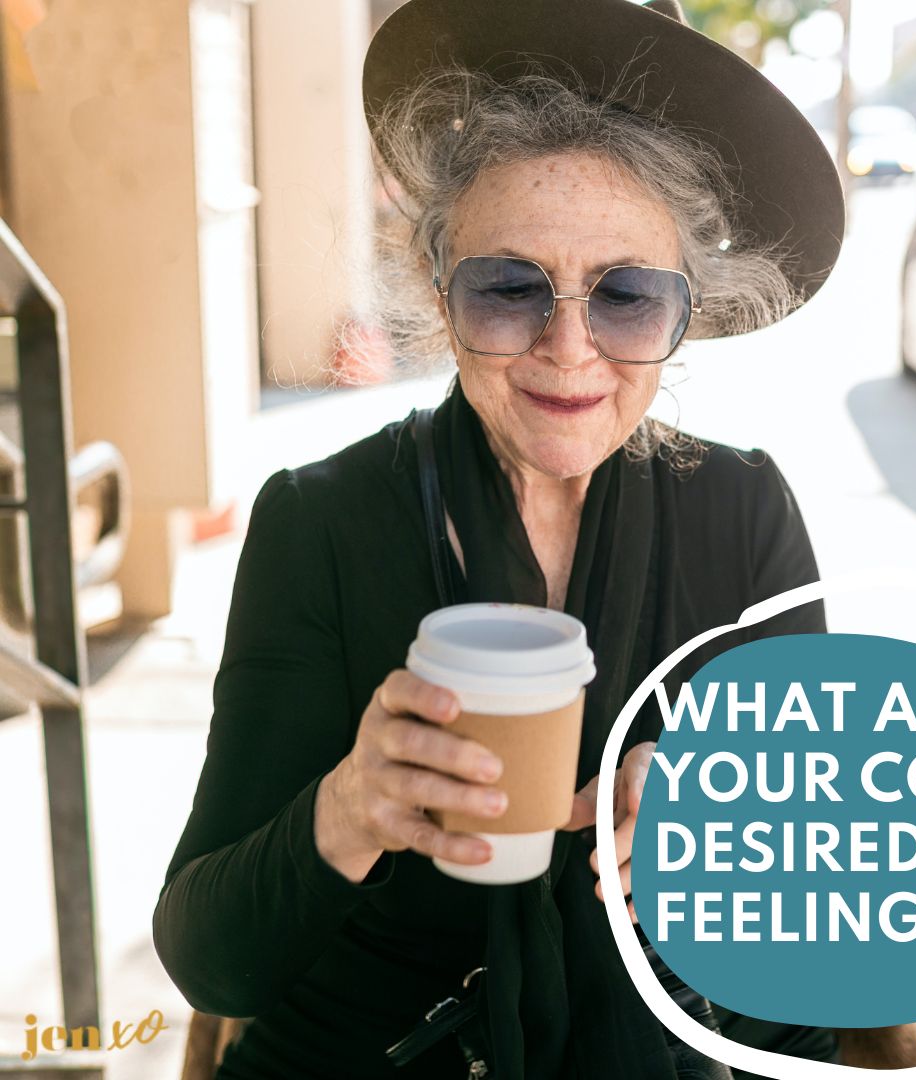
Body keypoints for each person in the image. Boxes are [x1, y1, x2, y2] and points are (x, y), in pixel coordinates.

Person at [152, 1, 847, 1077]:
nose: (568, 351)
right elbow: (213, 965)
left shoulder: (746, 514)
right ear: (442, 295)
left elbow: (818, 964)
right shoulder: (321, 522)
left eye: (625, 297)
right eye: (510, 289)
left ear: (682, 313)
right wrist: (347, 809)